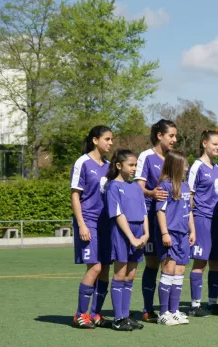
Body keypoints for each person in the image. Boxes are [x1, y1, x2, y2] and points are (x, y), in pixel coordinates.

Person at [71, 125, 113, 328]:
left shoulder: (109, 166)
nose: (110, 143)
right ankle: (80, 314)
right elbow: (75, 195)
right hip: (88, 221)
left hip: (107, 224)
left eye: (111, 139)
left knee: (105, 269)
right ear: (95, 140)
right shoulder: (83, 163)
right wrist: (81, 224)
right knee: (95, 267)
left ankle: (96, 314)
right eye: (107, 139)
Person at [135, 119, 177, 323]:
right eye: (171, 135)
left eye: (175, 136)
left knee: (170, 263)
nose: (174, 140)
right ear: (159, 135)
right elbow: (138, 187)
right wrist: (151, 193)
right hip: (150, 216)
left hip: (171, 219)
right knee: (152, 262)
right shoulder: (146, 156)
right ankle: (147, 308)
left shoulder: (172, 158)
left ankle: (169, 309)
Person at [105, 149, 148, 331]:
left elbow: (144, 210)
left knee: (131, 275)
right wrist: (131, 237)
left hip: (139, 232)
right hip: (123, 233)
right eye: (131, 165)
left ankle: (126, 315)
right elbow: (117, 213)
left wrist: (146, 233)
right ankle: (118, 318)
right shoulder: (113, 186)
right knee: (120, 274)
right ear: (118, 165)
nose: (134, 169)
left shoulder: (136, 187)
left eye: (136, 165)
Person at [155, 150, 195, 325]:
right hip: (170, 234)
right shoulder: (165, 186)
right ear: (176, 166)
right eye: (185, 165)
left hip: (183, 235)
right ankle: (163, 313)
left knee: (180, 271)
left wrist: (192, 230)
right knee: (168, 270)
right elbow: (160, 211)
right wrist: (164, 233)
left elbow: (189, 211)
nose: (187, 168)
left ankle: (174, 310)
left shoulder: (185, 186)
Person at [187, 130, 218, 317]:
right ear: (204, 144)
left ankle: (212, 302)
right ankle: (195, 305)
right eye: (214, 144)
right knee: (200, 263)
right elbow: (189, 196)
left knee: (216, 263)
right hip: (202, 219)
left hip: (217, 222)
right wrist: (191, 221)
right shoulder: (197, 167)